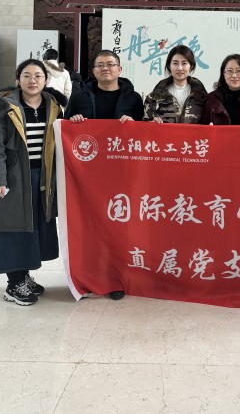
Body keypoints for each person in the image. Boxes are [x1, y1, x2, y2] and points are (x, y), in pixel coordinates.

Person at [0, 59, 66, 306]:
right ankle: (13, 283)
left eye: (38, 76)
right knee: (12, 229)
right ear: (18, 79)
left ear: (46, 80)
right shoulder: (4, 107)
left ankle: (24, 276)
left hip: (42, 177)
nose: (32, 81)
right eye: (26, 75)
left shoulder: (53, 106)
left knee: (32, 227)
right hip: (14, 177)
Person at [66, 49, 144, 300]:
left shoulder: (134, 98)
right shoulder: (79, 97)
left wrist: (134, 125)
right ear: (94, 71)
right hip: (88, 174)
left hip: (122, 173)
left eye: (110, 64)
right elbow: (66, 126)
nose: (105, 68)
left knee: (119, 227)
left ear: (120, 69)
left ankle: (116, 279)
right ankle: (91, 277)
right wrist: (75, 121)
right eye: (100, 65)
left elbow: (144, 132)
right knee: (92, 227)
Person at [143, 45, 207, 123]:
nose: (179, 68)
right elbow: (144, 125)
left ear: (191, 66)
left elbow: (208, 123)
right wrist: (152, 123)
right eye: (175, 63)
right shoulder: (154, 97)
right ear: (169, 66)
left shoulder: (202, 97)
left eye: (184, 63)